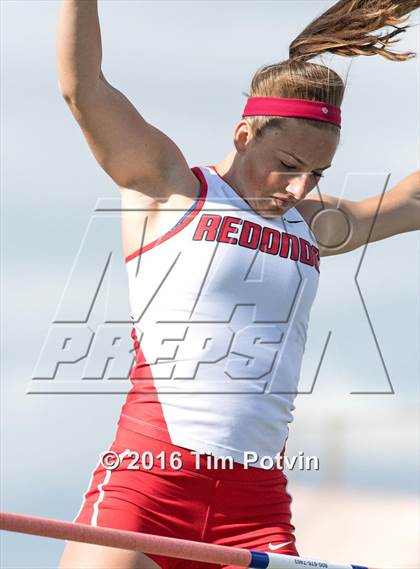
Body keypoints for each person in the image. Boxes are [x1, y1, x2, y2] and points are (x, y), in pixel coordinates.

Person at [57, 1, 420, 567]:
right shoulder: (169, 188)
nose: (300, 188)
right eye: (289, 164)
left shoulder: (312, 224)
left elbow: (411, 199)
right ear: (245, 133)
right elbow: (84, 89)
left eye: (316, 174)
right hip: (148, 492)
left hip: (256, 511)